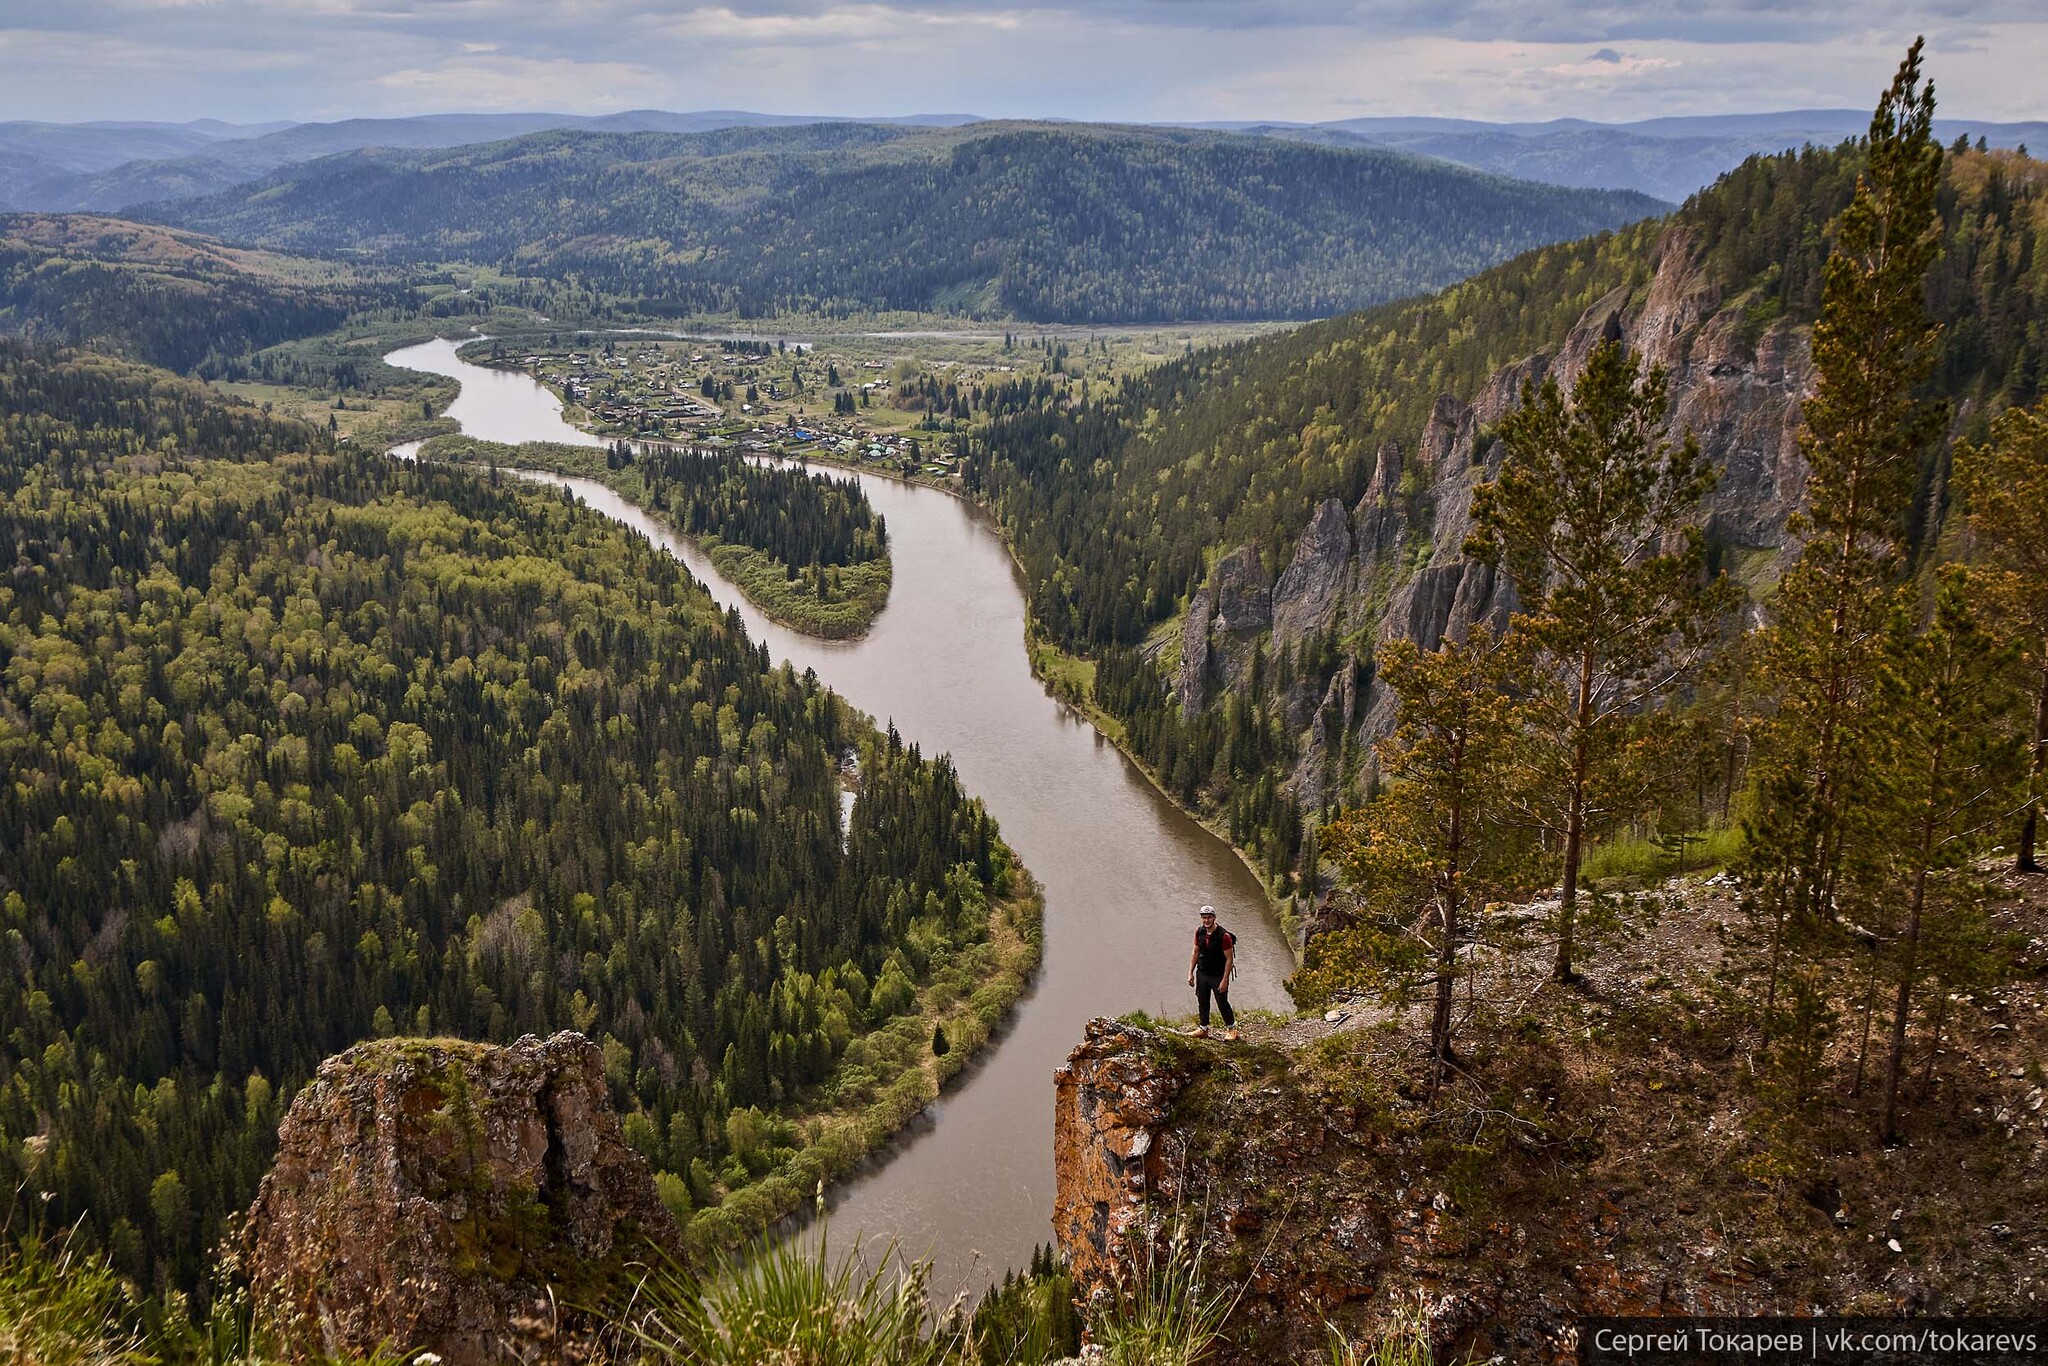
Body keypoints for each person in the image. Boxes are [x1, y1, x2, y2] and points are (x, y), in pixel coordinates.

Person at [1188, 905, 1238, 1040]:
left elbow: (1229, 959)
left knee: (1222, 1002)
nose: (1206, 920)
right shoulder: (1199, 932)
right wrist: (1190, 972)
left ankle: (1232, 1029)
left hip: (1218, 975)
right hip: (1202, 973)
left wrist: (1225, 980)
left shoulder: (1224, 936)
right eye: (1204, 918)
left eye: (1209, 917)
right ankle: (1203, 1029)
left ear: (1214, 918)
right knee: (1202, 1000)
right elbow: (1195, 952)